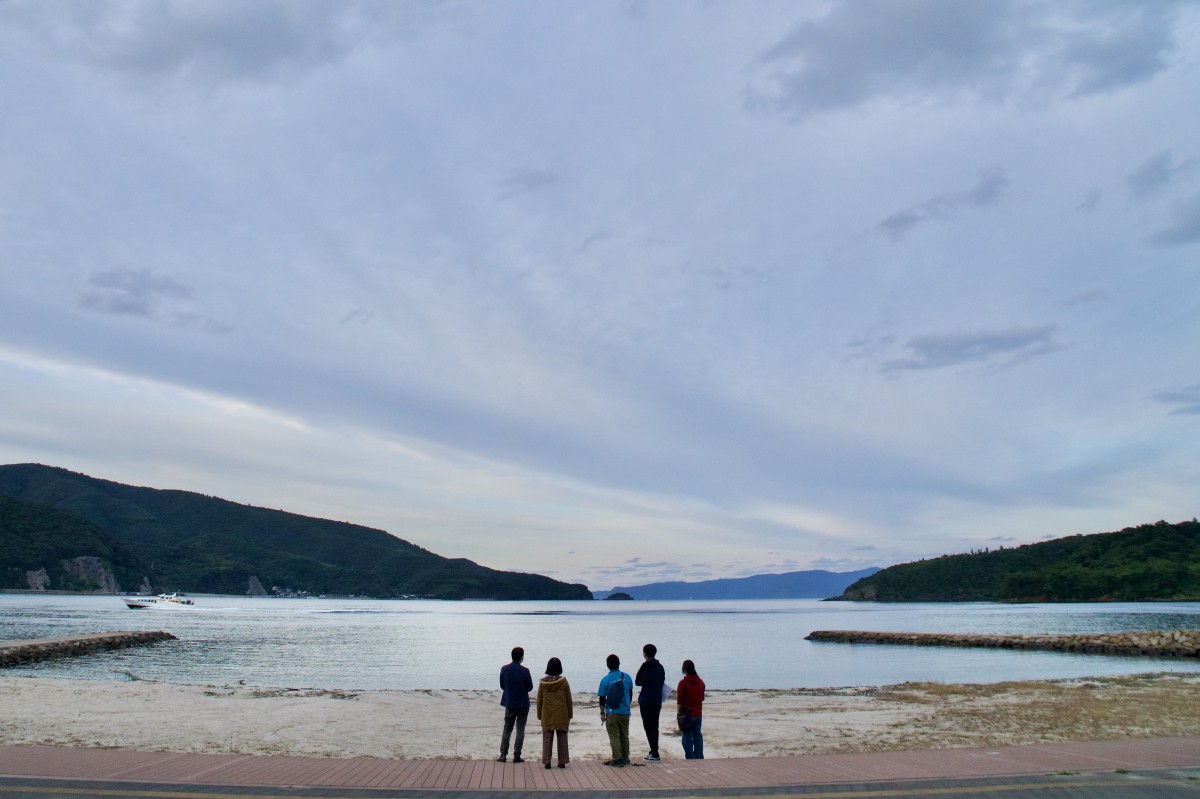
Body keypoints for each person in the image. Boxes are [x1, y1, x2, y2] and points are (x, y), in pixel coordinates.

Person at [535, 656, 572, 769]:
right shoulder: (564, 682)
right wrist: (570, 714)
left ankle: (547, 762)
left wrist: (539, 715)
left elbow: (539, 700)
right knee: (562, 738)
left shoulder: (543, 683)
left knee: (547, 738)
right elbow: (568, 699)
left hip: (547, 714)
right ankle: (562, 762)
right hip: (562, 714)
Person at [498, 646, 533, 763]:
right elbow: (530, 687)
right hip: (523, 703)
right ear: (521, 657)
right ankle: (517, 755)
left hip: (509, 702)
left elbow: (502, 686)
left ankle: (503, 754)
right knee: (520, 730)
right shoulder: (525, 671)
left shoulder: (504, 669)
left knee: (507, 729)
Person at [597, 653, 633, 766]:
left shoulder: (605, 680)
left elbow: (602, 699)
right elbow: (630, 694)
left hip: (612, 712)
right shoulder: (627, 677)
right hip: (625, 712)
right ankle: (625, 757)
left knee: (614, 736)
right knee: (624, 735)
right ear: (619, 664)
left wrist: (602, 713)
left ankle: (617, 758)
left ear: (607, 665)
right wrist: (627, 705)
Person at [634, 643, 666, 762]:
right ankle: (654, 750)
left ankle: (654, 752)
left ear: (645, 654)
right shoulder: (660, 667)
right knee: (655, 726)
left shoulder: (645, 666)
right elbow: (662, 680)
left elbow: (637, 681)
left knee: (648, 726)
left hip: (646, 700)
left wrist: (645, 681)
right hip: (657, 700)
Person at [677, 659, 705, 760]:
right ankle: (699, 756)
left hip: (687, 714)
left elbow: (679, 701)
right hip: (698, 713)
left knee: (687, 738)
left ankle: (690, 757)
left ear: (684, 669)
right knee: (697, 736)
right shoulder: (701, 682)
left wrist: (678, 713)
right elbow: (702, 698)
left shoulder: (683, 683)